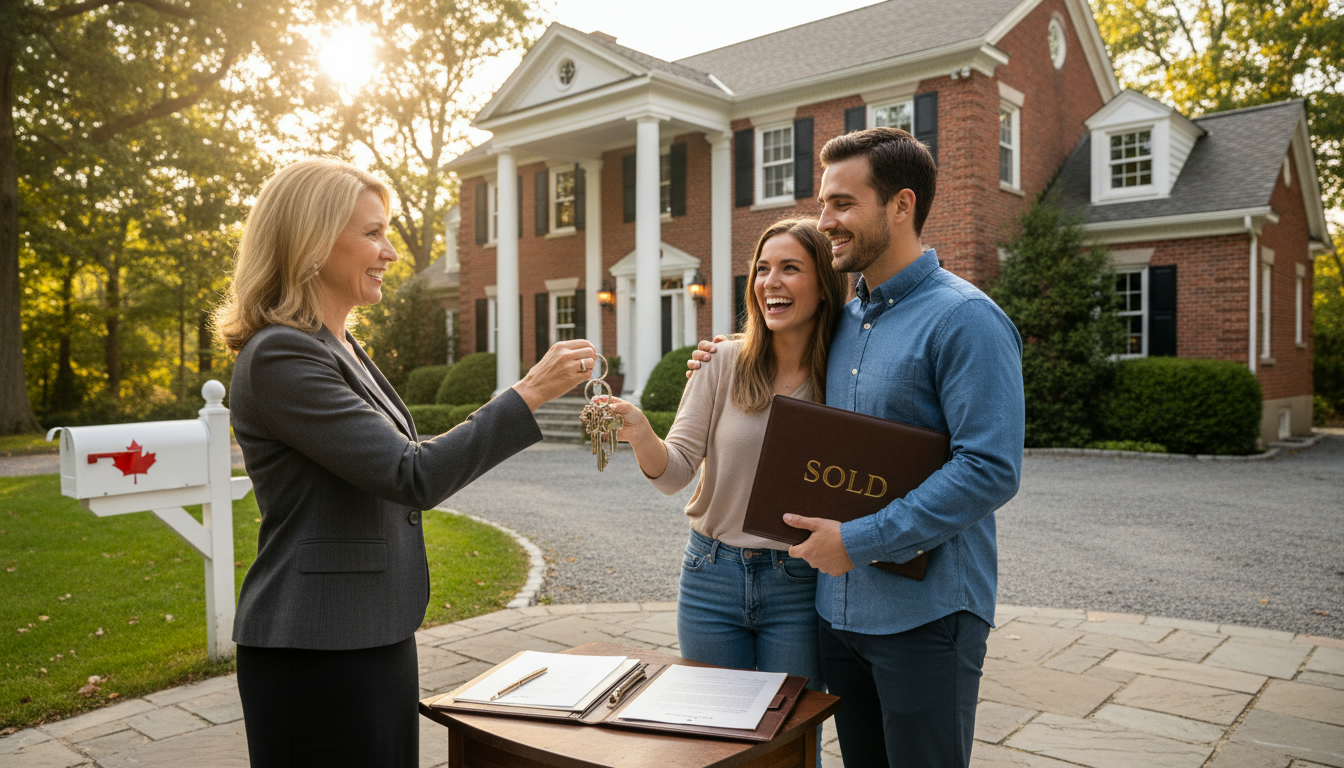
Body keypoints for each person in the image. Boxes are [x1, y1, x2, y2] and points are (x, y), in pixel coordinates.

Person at [215, 157, 595, 767]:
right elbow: (410, 473)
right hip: (316, 646)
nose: (391, 252)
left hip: (376, 631)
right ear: (311, 241)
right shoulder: (279, 355)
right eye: (372, 233)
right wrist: (530, 393)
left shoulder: (338, 346)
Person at [688, 127, 1025, 767]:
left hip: (926, 617)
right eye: (823, 204)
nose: (826, 221)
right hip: (837, 615)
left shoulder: (965, 319)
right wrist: (719, 356)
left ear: (901, 205)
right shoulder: (843, 321)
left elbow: (990, 469)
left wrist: (858, 541)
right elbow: (775, 349)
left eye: (842, 204)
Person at [605, 219, 846, 700]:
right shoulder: (721, 362)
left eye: (790, 268)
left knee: (791, 743)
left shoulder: (846, 376)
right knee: (710, 734)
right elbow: (674, 474)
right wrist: (639, 430)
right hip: (709, 575)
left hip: (798, 582)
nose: (769, 282)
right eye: (762, 269)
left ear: (824, 284)